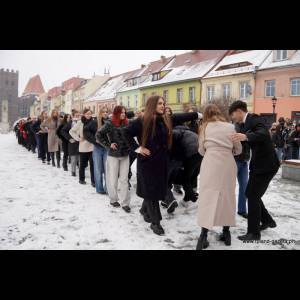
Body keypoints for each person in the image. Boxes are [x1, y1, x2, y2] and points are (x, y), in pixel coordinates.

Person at [125, 95, 201, 235]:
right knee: (152, 192)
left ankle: (144, 210)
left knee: (154, 190)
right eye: (160, 103)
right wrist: (138, 148)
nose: (163, 105)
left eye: (163, 103)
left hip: (163, 162)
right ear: (152, 105)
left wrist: (198, 114)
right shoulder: (142, 121)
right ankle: (156, 223)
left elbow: (181, 117)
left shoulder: (166, 119)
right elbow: (126, 133)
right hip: (147, 162)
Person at [229, 100, 280, 241]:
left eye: (233, 114)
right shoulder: (245, 124)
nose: (233, 118)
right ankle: (268, 221)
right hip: (260, 165)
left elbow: (263, 134)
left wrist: (246, 136)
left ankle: (253, 233)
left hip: (266, 166)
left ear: (239, 111)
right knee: (252, 194)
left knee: (252, 195)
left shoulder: (255, 119)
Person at [196, 104, 242, 250]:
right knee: (227, 196)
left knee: (207, 196)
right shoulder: (230, 127)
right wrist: (228, 151)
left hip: (210, 162)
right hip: (228, 162)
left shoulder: (204, 127)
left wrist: (211, 151)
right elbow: (239, 149)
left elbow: (201, 150)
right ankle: (226, 233)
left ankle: (203, 236)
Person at [96, 106, 131, 212]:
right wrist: (108, 145)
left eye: (124, 112)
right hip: (113, 155)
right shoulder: (110, 123)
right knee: (112, 179)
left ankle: (125, 203)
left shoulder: (127, 123)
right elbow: (98, 135)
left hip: (125, 154)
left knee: (124, 179)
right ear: (116, 113)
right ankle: (113, 199)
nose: (123, 114)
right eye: (121, 112)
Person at [84, 107, 109, 194]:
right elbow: (86, 132)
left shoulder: (110, 122)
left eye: (107, 112)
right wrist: (94, 140)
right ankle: (99, 188)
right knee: (98, 169)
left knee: (107, 169)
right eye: (103, 112)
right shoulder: (94, 122)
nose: (105, 113)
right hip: (97, 148)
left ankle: (108, 188)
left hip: (107, 149)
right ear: (100, 113)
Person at [69, 108, 95, 186]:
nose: (89, 115)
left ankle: (93, 181)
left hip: (92, 145)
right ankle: (81, 179)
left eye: (90, 113)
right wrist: (78, 138)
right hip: (83, 146)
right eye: (87, 114)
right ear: (84, 114)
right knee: (83, 164)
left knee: (92, 165)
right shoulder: (80, 122)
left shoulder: (93, 122)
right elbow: (71, 131)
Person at [234, 122, 250, 219]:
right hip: (235, 160)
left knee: (244, 186)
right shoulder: (236, 127)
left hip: (244, 161)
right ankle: (224, 210)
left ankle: (242, 210)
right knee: (228, 187)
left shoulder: (249, 127)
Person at [61, 110, 80, 177]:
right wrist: (69, 138)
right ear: (73, 116)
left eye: (78, 115)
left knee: (80, 158)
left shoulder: (82, 122)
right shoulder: (70, 123)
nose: (77, 117)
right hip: (73, 143)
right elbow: (63, 131)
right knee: (74, 158)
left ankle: (81, 172)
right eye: (76, 115)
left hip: (81, 143)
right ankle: (73, 171)